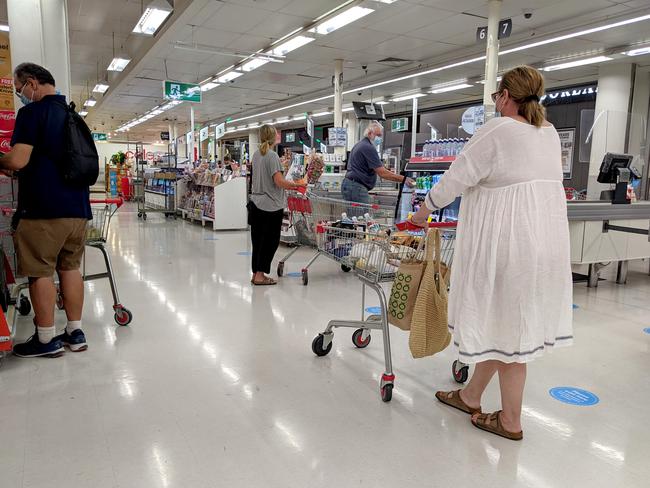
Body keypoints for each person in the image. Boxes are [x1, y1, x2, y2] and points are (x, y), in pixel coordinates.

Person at [411, 66, 572, 441]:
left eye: (496, 97)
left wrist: (424, 210)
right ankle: (470, 395)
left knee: (512, 336)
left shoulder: (498, 130)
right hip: (544, 244)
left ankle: (511, 421)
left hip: (508, 246)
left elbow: (457, 177)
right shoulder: (547, 133)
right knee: (504, 324)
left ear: (504, 96)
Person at [0, 63, 92, 358]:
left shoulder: (32, 113)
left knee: (40, 272)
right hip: (78, 210)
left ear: (32, 83)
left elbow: (18, 160)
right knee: (70, 268)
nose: (20, 96)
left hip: (43, 210)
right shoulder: (75, 116)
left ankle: (46, 338)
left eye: (19, 90)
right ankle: (75, 332)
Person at [249, 124, 305, 285]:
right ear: (274, 137)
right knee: (270, 242)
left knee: (258, 241)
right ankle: (260, 275)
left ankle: (256, 274)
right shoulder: (272, 156)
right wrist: (297, 185)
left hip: (256, 204)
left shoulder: (256, 155)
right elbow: (279, 182)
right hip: (270, 205)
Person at [342, 121, 414, 204]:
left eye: (380, 136)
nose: (380, 138)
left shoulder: (360, 144)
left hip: (352, 185)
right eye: (378, 135)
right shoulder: (368, 147)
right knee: (360, 215)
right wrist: (404, 179)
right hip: (356, 187)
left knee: (354, 215)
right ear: (369, 133)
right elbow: (383, 173)